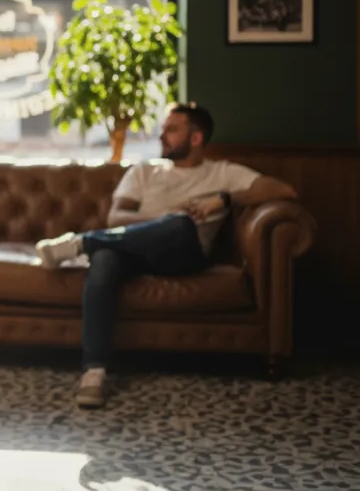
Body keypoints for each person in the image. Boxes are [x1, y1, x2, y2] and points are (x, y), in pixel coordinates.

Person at [34, 103, 296, 408]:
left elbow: (284, 190)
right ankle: (94, 370)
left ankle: (79, 244)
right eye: (163, 130)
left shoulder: (223, 173)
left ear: (196, 137)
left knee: (181, 225)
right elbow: (116, 218)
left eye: (172, 130)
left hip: (184, 255)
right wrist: (163, 218)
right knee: (106, 258)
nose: (162, 136)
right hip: (134, 252)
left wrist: (221, 200)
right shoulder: (145, 171)